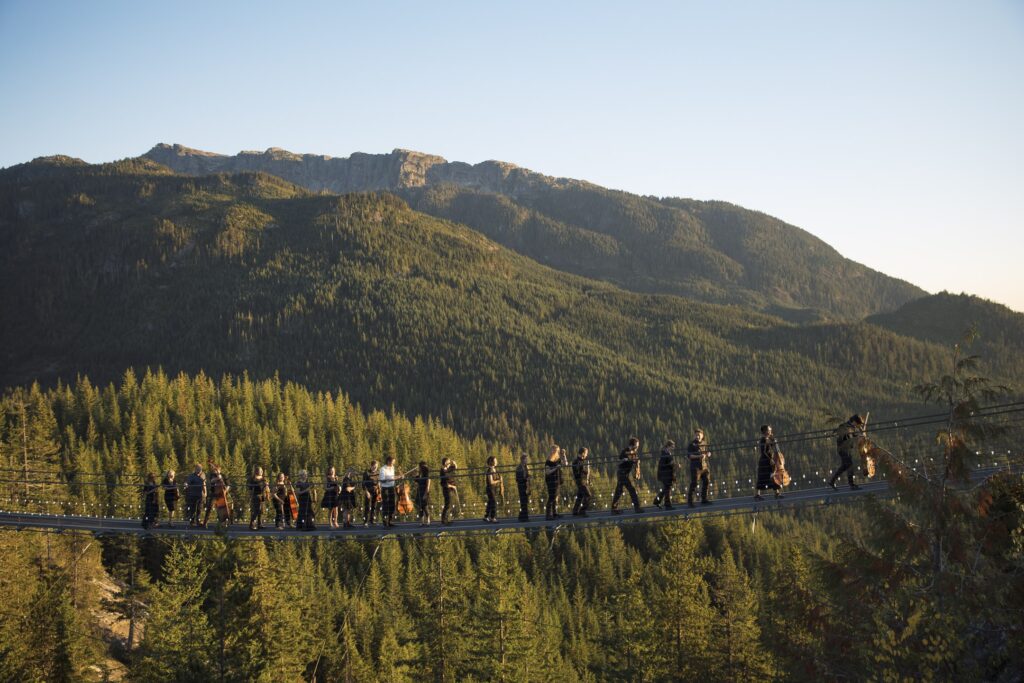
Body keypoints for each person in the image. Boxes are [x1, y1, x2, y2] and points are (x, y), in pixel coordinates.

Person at [830, 414, 865, 490]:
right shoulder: (844, 426)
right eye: (858, 424)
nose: (858, 426)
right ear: (855, 422)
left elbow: (853, 435)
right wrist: (857, 436)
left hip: (847, 449)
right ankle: (851, 485)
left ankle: (832, 481)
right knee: (850, 465)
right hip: (843, 449)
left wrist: (860, 434)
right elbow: (843, 437)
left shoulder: (851, 427)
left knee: (844, 466)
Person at [611, 438, 643, 514]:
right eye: (637, 445)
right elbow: (619, 461)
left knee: (619, 490)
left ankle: (614, 509)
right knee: (631, 489)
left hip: (624, 474)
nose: (637, 447)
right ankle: (637, 508)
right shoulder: (625, 451)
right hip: (622, 473)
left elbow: (635, 461)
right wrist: (626, 460)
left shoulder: (634, 453)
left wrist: (637, 466)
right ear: (633, 445)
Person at [755, 425, 784, 501]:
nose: (771, 431)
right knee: (765, 476)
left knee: (770, 475)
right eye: (769, 430)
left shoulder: (767, 439)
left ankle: (775, 493)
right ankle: (758, 494)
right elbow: (764, 451)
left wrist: (774, 441)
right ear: (765, 431)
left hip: (766, 460)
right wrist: (770, 459)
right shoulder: (764, 440)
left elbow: (772, 448)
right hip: (765, 461)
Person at [687, 429, 712, 507]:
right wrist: (699, 456)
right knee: (694, 484)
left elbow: (706, 452)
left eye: (699, 435)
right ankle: (690, 502)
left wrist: (708, 454)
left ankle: (704, 499)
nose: (697, 436)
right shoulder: (691, 445)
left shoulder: (704, 443)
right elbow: (690, 456)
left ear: (702, 435)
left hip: (704, 466)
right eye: (696, 435)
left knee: (706, 481)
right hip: (695, 467)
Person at [653, 440, 677, 510]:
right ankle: (667, 505)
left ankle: (657, 501)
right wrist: (672, 464)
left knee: (665, 489)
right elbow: (664, 464)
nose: (673, 448)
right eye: (672, 447)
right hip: (666, 474)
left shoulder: (665, 453)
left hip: (666, 474)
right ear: (668, 446)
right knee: (667, 489)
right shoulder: (665, 454)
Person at [544, 446, 565, 520]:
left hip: (557, 480)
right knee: (552, 497)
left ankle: (554, 513)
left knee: (555, 497)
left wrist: (564, 455)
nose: (556, 452)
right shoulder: (548, 461)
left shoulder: (558, 459)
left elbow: (565, 464)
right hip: (551, 481)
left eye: (556, 451)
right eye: (554, 451)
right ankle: (548, 514)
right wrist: (556, 468)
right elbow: (547, 472)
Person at [571, 447, 592, 516]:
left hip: (582, 481)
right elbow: (577, 472)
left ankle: (575, 511)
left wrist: (587, 476)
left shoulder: (581, 461)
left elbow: (582, 470)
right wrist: (585, 471)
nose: (586, 455)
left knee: (580, 496)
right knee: (588, 495)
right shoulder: (576, 461)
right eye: (586, 454)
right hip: (580, 481)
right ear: (583, 453)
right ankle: (582, 511)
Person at [379, 456, 398, 528]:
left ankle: (389, 521)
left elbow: (392, 477)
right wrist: (393, 478)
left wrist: (396, 477)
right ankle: (385, 523)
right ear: (388, 461)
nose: (393, 464)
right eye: (392, 462)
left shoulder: (392, 468)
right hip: (385, 489)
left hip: (391, 488)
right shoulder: (382, 469)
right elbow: (382, 480)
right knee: (385, 505)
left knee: (392, 505)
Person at [440, 457, 459, 525]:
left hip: (450, 489)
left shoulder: (448, 469)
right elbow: (445, 483)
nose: (449, 463)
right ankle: (444, 520)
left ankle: (446, 519)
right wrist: (453, 486)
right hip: (447, 489)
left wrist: (454, 463)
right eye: (448, 462)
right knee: (448, 504)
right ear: (445, 463)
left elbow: (455, 467)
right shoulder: (443, 471)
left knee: (450, 504)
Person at [484, 456, 503, 523]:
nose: (496, 462)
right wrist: (498, 481)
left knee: (490, 502)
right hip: (490, 489)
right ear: (491, 462)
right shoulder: (489, 470)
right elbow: (491, 482)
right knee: (494, 502)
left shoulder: (495, 470)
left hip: (494, 489)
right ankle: (492, 517)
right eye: (495, 460)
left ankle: (486, 516)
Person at [362, 461, 380, 526]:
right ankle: (365, 521)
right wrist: (366, 492)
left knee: (374, 506)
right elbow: (363, 484)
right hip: (368, 491)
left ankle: (371, 520)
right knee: (367, 506)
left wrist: (379, 491)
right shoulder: (366, 473)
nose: (375, 468)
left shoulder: (378, 473)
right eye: (374, 466)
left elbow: (379, 482)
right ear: (371, 466)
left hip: (375, 491)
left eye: (376, 467)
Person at [414, 461, 431, 526]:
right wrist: (415, 473)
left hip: (424, 492)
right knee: (420, 507)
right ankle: (422, 521)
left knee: (425, 506)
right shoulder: (420, 476)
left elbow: (428, 486)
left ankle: (428, 520)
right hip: (419, 491)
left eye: (420, 467)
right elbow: (415, 480)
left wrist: (425, 494)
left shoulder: (427, 476)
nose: (419, 468)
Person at [515, 453, 531, 522]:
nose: (527, 460)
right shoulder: (519, 468)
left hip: (525, 486)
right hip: (522, 486)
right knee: (523, 501)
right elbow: (518, 479)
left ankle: (522, 516)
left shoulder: (525, 467)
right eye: (526, 459)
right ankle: (524, 517)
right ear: (522, 460)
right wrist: (526, 479)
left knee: (525, 501)